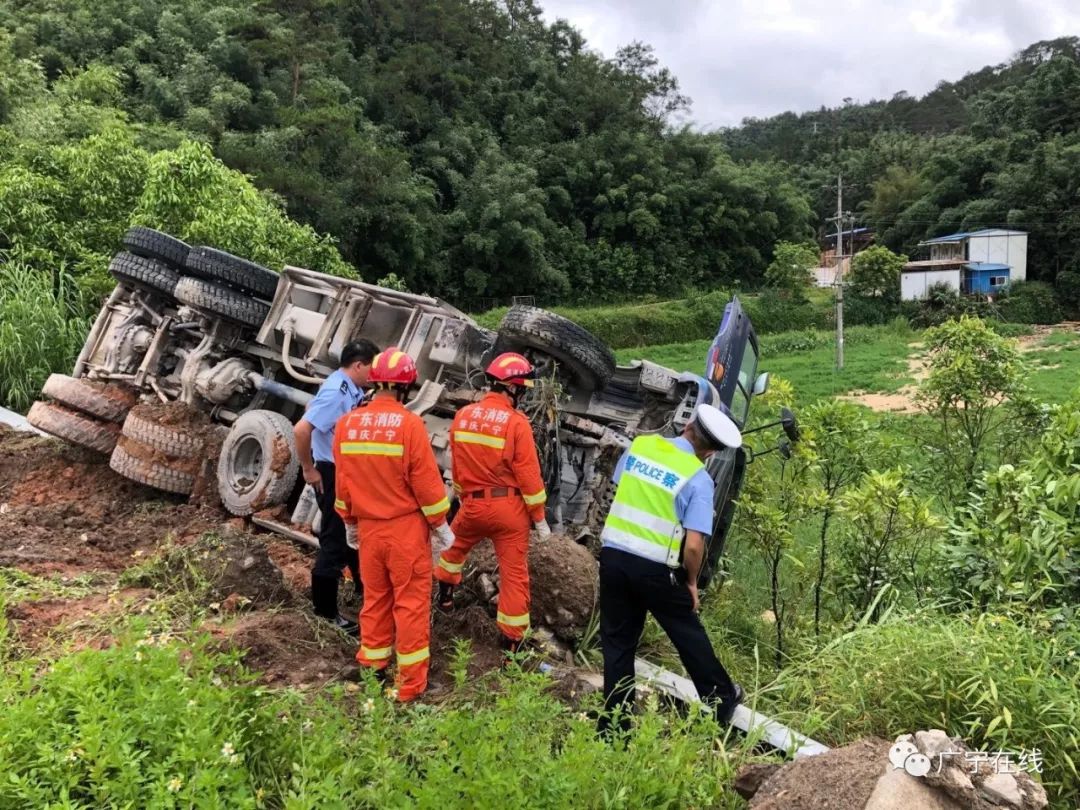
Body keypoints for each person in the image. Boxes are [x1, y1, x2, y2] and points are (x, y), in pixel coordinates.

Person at [597, 404, 743, 736]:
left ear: (687, 425)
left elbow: (622, 486)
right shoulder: (698, 478)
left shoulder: (641, 445)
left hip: (614, 558)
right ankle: (721, 698)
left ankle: (613, 729)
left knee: (618, 644)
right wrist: (691, 581)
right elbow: (693, 546)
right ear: (710, 453)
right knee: (686, 630)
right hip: (655, 569)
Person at [333, 347, 452, 701]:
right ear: (406, 387)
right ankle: (410, 685)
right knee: (411, 605)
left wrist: (349, 522)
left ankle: (373, 667)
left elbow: (344, 484)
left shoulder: (348, 425)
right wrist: (442, 526)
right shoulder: (410, 425)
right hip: (404, 532)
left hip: (368, 531)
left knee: (375, 599)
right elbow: (428, 487)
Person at [433, 352, 551, 656]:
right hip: (509, 511)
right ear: (512, 388)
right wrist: (539, 518)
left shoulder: (464, 415)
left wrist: (462, 495)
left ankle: (444, 598)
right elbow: (529, 477)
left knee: (453, 550)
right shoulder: (516, 423)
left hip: (472, 503)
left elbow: (456, 464)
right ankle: (512, 644)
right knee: (514, 574)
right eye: (522, 386)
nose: (523, 392)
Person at [294, 339, 379, 635]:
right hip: (331, 471)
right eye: (371, 368)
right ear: (358, 365)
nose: (374, 375)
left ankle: (362, 589)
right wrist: (309, 469)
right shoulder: (335, 391)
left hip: (342, 470)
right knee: (335, 537)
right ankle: (325, 612)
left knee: (353, 531)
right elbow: (302, 429)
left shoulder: (348, 386)